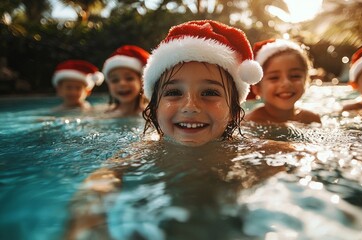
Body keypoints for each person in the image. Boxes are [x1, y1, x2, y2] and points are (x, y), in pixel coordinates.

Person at [66, 20, 297, 239]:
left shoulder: (251, 150)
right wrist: (89, 223)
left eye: (209, 93)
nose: (190, 107)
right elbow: (99, 183)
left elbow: (299, 158)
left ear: (234, 111)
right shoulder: (144, 152)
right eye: (174, 93)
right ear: (154, 108)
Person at [245, 39, 321, 124]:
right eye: (274, 77)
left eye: (295, 76)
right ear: (257, 88)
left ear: (306, 81)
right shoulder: (250, 122)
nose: (286, 83)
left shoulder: (312, 119)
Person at [102, 45, 150, 117]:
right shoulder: (106, 114)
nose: (122, 83)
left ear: (141, 81)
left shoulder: (151, 114)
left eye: (129, 78)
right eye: (115, 80)